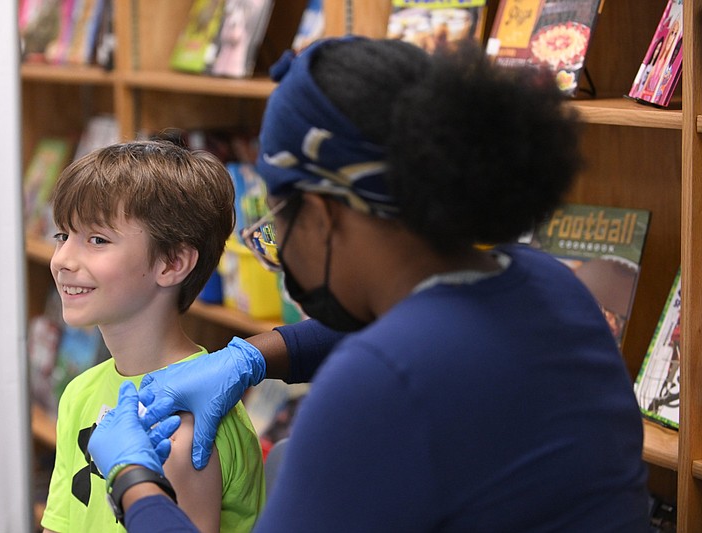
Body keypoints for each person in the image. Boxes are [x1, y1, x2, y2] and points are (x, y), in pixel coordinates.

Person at [88, 37, 649, 531]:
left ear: (327, 216)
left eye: (277, 226)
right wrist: (248, 360)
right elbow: (410, 335)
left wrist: (134, 480)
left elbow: (399, 360)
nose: (278, 255)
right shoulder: (550, 284)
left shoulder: (381, 382)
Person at [40, 140, 265, 533]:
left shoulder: (188, 426)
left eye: (97, 240)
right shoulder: (80, 392)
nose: (63, 260)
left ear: (173, 262)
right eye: (63, 236)